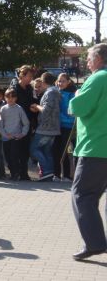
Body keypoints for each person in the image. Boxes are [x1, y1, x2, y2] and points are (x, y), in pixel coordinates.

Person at [69, 43, 107, 260]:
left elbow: (78, 107)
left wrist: (77, 94)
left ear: (100, 58)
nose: (87, 61)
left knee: (83, 196)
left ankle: (94, 243)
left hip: (96, 148)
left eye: (90, 57)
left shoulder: (98, 78)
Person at [30, 72, 60, 182]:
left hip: (46, 128)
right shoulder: (55, 91)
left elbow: (46, 111)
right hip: (53, 128)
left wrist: (36, 106)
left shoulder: (50, 92)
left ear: (43, 82)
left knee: (34, 149)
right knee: (47, 151)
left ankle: (47, 172)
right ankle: (48, 173)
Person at [9, 65, 36, 181]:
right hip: (16, 123)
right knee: (15, 150)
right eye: (29, 76)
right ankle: (15, 173)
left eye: (31, 76)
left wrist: (34, 107)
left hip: (27, 122)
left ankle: (24, 173)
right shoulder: (14, 89)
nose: (31, 78)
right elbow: (11, 105)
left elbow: (32, 101)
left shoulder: (30, 88)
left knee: (25, 150)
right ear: (22, 75)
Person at [0, 88, 30, 180]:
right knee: (7, 157)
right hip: (6, 138)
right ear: (5, 98)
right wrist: (4, 134)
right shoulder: (3, 109)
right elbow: (0, 124)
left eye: (13, 97)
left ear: (16, 98)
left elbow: (26, 123)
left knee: (14, 156)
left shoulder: (19, 109)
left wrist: (22, 134)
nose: (10, 99)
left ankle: (16, 174)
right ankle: (12, 173)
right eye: (8, 97)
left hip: (16, 138)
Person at [53, 73, 76, 182]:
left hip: (68, 126)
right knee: (56, 149)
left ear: (68, 82)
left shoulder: (72, 94)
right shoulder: (55, 92)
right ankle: (56, 174)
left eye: (62, 81)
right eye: (59, 81)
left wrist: (58, 115)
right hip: (57, 126)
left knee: (65, 150)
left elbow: (70, 112)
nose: (60, 83)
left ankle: (66, 175)